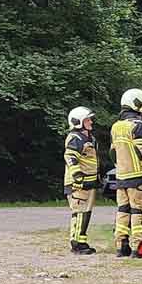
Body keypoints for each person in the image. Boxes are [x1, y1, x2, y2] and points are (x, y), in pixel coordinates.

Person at [110, 89, 142, 257]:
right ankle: (138, 247)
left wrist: (119, 167)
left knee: (123, 210)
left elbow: (112, 152)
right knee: (138, 211)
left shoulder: (116, 126)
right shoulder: (138, 125)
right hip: (137, 177)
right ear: (137, 103)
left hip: (121, 177)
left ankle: (121, 246)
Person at [63, 106, 98, 254]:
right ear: (78, 122)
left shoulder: (89, 138)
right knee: (79, 212)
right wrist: (77, 176)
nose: (91, 122)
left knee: (86, 212)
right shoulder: (75, 138)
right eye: (87, 120)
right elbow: (70, 157)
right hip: (78, 183)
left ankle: (82, 241)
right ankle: (76, 243)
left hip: (89, 182)